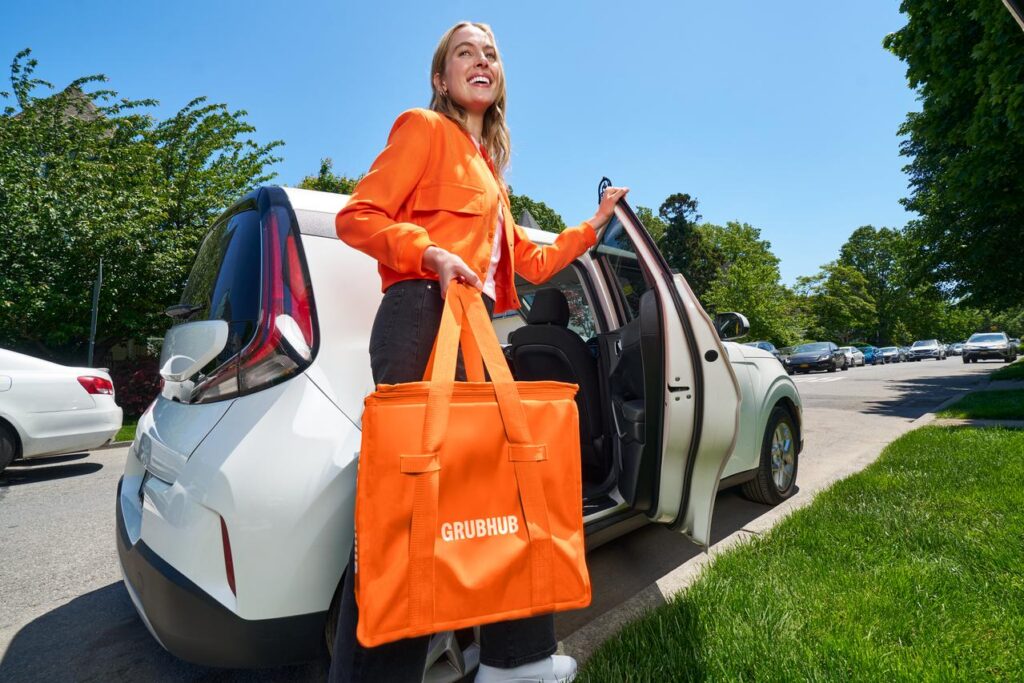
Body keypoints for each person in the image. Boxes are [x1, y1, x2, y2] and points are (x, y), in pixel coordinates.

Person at [331, 20, 627, 683]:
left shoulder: (490, 172)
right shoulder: (423, 129)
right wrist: (426, 250)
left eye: (490, 53)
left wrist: (597, 223)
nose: (481, 60)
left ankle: (515, 661)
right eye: (465, 51)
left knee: (491, 495)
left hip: (473, 329)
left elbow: (533, 259)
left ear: (498, 82)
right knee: (408, 514)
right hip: (421, 316)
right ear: (442, 78)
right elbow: (359, 216)